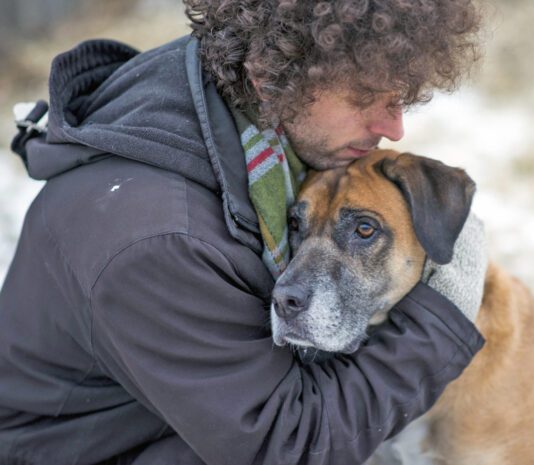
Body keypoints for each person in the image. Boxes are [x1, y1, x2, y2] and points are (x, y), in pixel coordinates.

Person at [0, 1, 485, 464]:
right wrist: (438, 321)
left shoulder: (224, 109)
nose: (394, 127)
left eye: (397, 97)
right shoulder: (161, 239)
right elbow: (289, 446)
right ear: (270, 77)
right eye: (364, 98)